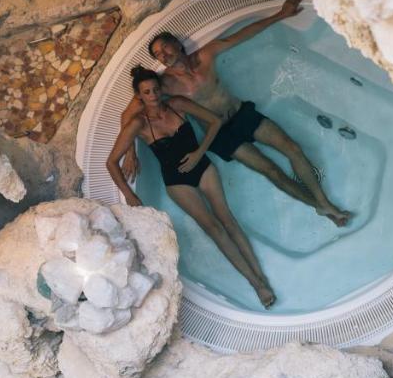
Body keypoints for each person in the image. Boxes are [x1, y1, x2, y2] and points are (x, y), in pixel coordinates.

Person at [119, 0, 352, 226]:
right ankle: (319, 207)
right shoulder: (163, 84)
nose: (164, 55)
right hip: (219, 135)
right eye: (158, 55)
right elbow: (127, 115)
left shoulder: (206, 55)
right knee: (270, 170)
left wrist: (281, 14)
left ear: (178, 45)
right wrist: (130, 151)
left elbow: (242, 35)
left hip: (242, 115)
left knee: (293, 149)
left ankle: (324, 203)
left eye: (166, 48)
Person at [107, 67, 276, 308]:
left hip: (203, 167)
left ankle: (262, 277)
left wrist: (199, 152)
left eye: (156, 89)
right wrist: (129, 195)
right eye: (147, 92)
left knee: (228, 219)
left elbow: (215, 121)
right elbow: (111, 162)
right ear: (139, 96)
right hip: (177, 181)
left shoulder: (176, 104)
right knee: (214, 227)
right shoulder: (138, 124)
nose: (154, 95)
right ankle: (256, 284)